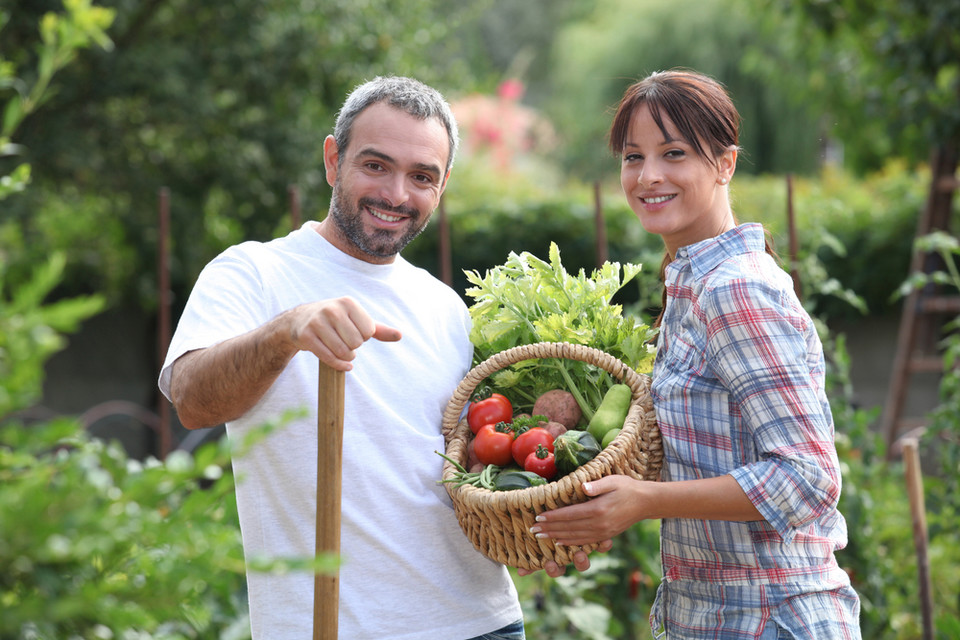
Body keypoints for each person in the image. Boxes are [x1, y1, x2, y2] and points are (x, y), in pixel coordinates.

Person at [158, 76, 526, 640]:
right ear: (334, 160)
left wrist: (528, 524)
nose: (397, 195)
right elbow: (192, 401)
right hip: (331, 628)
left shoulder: (446, 305)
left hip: (481, 620)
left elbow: (470, 463)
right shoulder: (253, 273)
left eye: (421, 177)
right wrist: (284, 332)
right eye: (375, 166)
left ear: (443, 185)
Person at [528, 69, 862, 639]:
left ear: (725, 164)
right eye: (633, 157)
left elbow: (808, 479)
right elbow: (699, 458)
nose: (648, 176)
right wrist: (583, 513)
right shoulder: (690, 287)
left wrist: (644, 502)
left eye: (674, 153)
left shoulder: (735, 288)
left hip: (768, 616)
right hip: (711, 618)